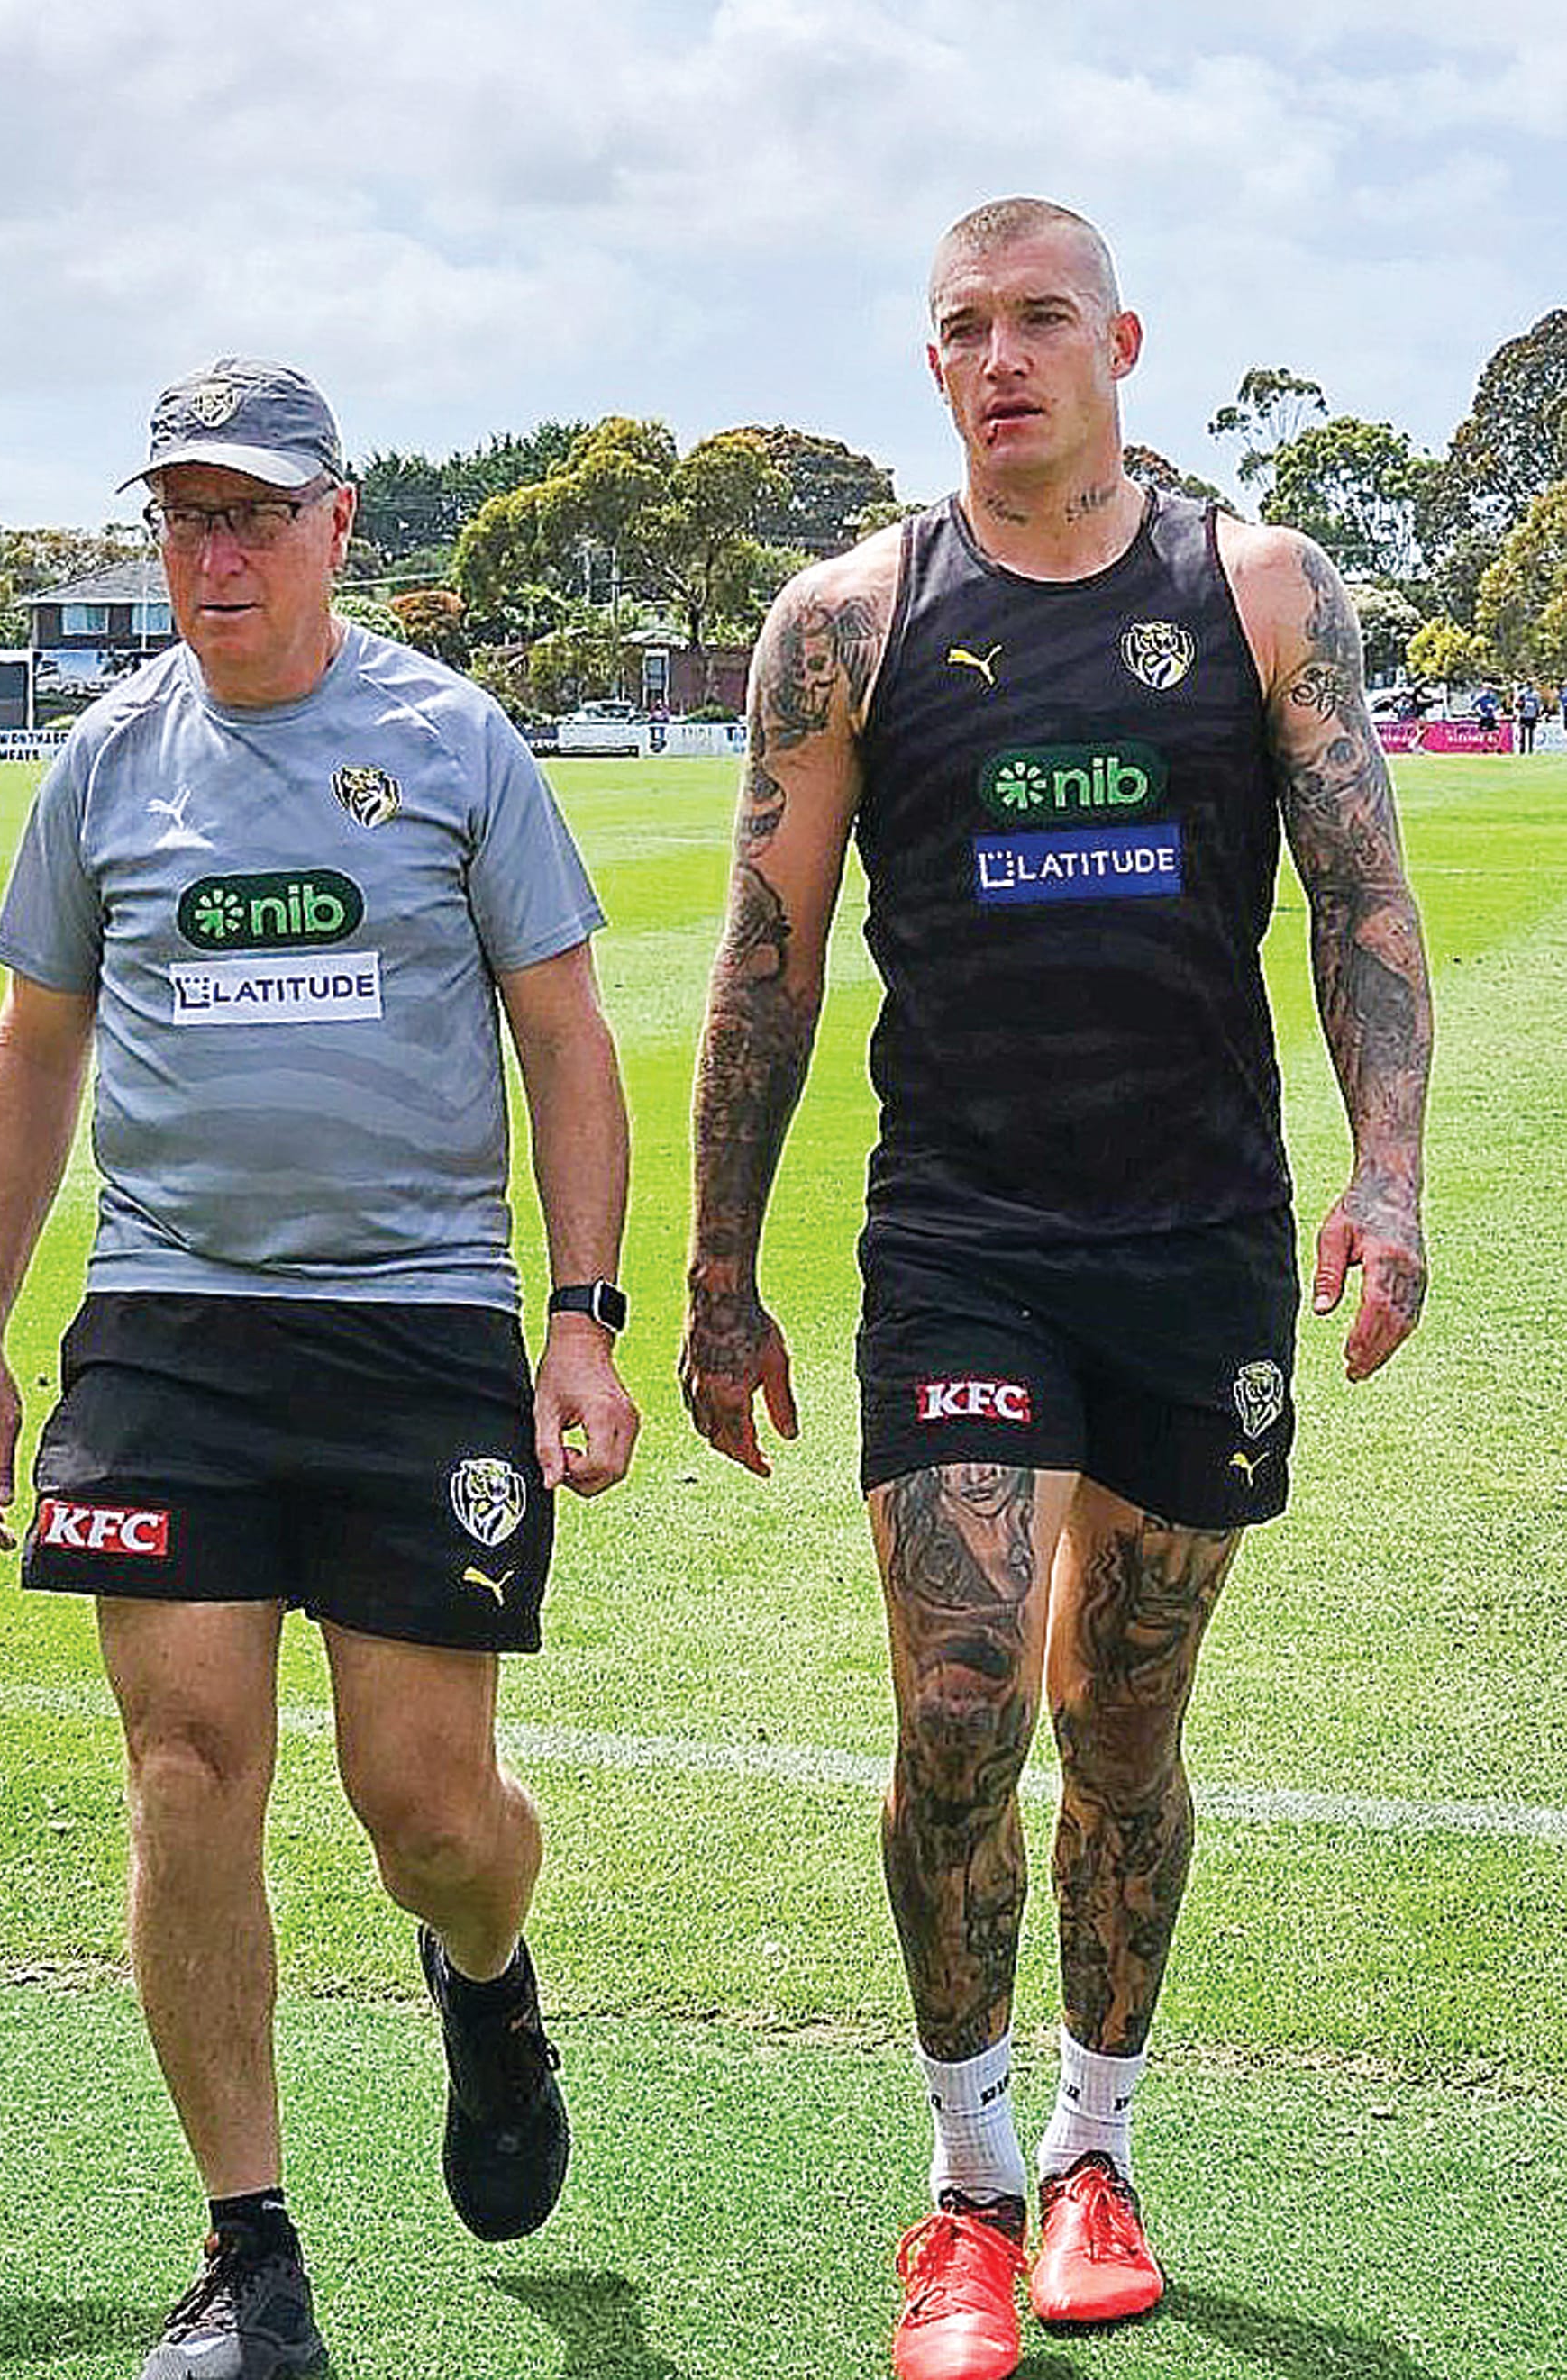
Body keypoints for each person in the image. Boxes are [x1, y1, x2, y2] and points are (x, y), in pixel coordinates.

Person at [680, 200, 1431, 2380]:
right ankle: (968, 2179)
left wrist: (1382, 1180)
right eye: (959, 329)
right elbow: (764, 958)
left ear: (1121, 339)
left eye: (1036, 321)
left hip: (1193, 1244)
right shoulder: (843, 618)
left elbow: (1360, 900)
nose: (999, 357)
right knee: (955, 1707)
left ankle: (1099, 2148)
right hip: (961, 1245)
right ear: (931, 370)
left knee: (1124, 1721)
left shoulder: (1260, 589)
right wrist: (718, 1278)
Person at [0, 358, 639, 2380]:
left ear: (338, 524)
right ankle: (250, 2256)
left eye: (249, 512)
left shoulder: (449, 741)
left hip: (416, 1326)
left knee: (424, 1807)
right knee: (184, 1768)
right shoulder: (104, 761)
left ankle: (485, 1979)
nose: (211, 551)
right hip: (168, 1331)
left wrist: (576, 1320)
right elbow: (33, 1046)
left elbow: (563, 1032)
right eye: (180, 515)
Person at [1516, 682, 1541, 752]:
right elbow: (1517, 704)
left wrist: (1538, 713)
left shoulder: (1536, 694)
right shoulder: (1522, 693)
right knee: (1522, 732)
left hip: (1531, 715)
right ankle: (1522, 749)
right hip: (1524, 714)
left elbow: (1538, 705)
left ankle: (1530, 749)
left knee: (1530, 733)